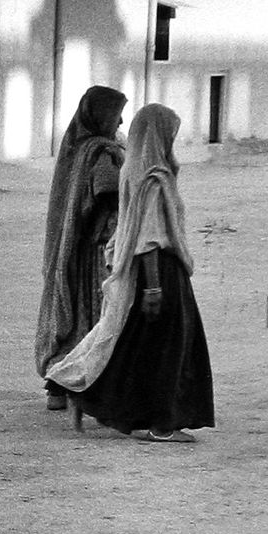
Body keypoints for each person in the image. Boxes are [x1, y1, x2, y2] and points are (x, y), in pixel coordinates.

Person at [44, 102, 214, 443]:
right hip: (160, 271)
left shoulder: (135, 170)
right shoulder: (153, 179)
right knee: (171, 346)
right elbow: (150, 238)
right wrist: (153, 288)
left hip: (146, 270)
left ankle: (83, 393)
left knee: (134, 343)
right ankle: (162, 423)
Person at [34, 85, 127, 411]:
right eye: (117, 115)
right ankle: (80, 387)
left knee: (71, 312)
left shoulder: (75, 147)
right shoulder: (101, 151)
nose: (121, 122)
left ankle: (57, 387)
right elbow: (105, 187)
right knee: (93, 316)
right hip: (95, 247)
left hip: (73, 244)